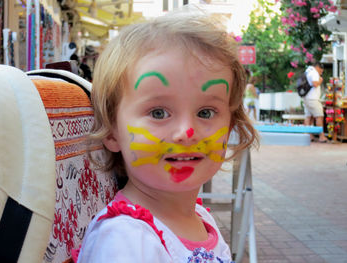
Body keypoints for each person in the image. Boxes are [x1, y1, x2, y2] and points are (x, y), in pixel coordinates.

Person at [75, 10, 257, 263]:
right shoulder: (125, 240)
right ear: (112, 130)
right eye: (158, 112)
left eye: (206, 112)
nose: (186, 132)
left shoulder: (200, 219)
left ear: (229, 125)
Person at [303, 62, 328, 142]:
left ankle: (308, 135)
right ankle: (321, 136)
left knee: (308, 117)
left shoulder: (308, 71)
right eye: (321, 71)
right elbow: (315, 84)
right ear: (318, 67)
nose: (321, 73)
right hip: (313, 99)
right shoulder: (314, 72)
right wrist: (320, 81)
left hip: (307, 98)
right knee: (319, 116)